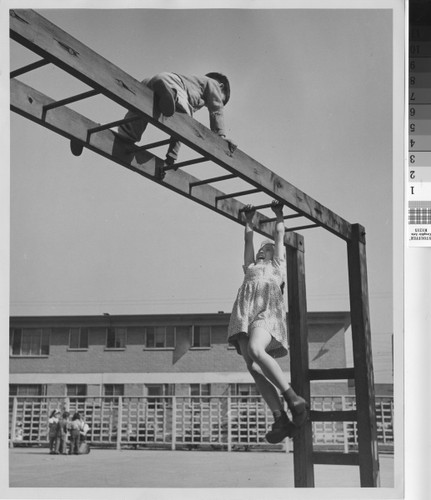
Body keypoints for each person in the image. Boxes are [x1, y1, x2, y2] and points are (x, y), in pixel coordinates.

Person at [227, 201, 308, 443]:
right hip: (244, 313)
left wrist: (279, 215)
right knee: (252, 366)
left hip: (267, 310)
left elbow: (280, 235)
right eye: (262, 250)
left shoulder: (276, 266)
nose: (263, 251)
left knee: (255, 349)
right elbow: (247, 243)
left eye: (268, 249)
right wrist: (248, 222)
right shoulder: (251, 266)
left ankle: (294, 397)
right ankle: (279, 417)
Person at [116, 72, 236, 166]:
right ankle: (172, 95)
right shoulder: (212, 84)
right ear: (220, 86)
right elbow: (216, 110)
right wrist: (221, 137)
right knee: (185, 121)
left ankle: (126, 134)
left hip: (154, 81)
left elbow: (179, 128)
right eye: (220, 99)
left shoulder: (194, 87)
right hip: (175, 86)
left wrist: (171, 156)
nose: (206, 105)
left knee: (139, 113)